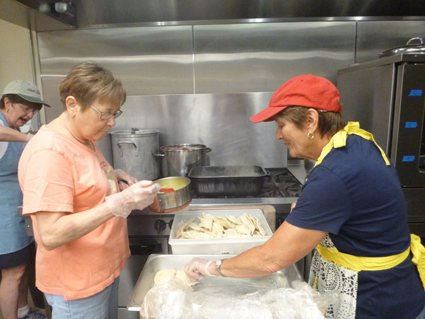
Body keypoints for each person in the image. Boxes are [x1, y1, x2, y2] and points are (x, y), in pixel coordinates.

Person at [184, 74, 425, 319]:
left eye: (281, 125)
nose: (278, 135)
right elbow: (354, 207)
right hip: (391, 290)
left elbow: (270, 260)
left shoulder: (336, 173)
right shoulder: (356, 143)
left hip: (376, 302)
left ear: (310, 120)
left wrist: (211, 267)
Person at [18, 63, 160, 319]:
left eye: (116, 113)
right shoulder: (49, 152)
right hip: (78, 285)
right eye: (105, 113)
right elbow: (50, 233)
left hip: (101, 272)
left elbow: (81, 183)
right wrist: (118, 203)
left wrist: (114, 179)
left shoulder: (83, 138)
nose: (112, 122)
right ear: (72, 105)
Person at [0, 80, 49, 319]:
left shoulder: (15, 130)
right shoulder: (4, 128)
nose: (29, 115)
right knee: (13, 272)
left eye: (34, 110)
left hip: (18, 211)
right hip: (3, 216)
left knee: (23, 267)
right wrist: (31, 139)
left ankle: (22, 312)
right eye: (25, 108)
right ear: (7, 103)